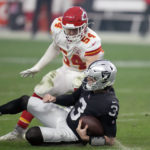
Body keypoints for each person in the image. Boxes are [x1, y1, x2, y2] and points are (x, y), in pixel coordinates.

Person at [0, 6, 104, 141]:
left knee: (81, 99)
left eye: (74, 30)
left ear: (84, 27)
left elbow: (91, 70)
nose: (71, 33)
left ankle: (81, 133)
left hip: (82, 74)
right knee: (41, 89)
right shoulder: (57, 26)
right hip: (65, 69)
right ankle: (18, 131)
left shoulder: (92, 40)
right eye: (68, 29)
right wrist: (38, 67)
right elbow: (55, 46)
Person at [0, 60, 119, 146]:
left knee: (32, 134)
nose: (88, 79)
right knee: (25, 100)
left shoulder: (109, 104)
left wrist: (87, 138)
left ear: (103, 81)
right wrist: (55, 99)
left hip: (73, 133)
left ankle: (74, 144)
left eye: (92, 78)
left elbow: (110, 140)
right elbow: (73, 98)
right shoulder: (89, 84)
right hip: (66, 116)